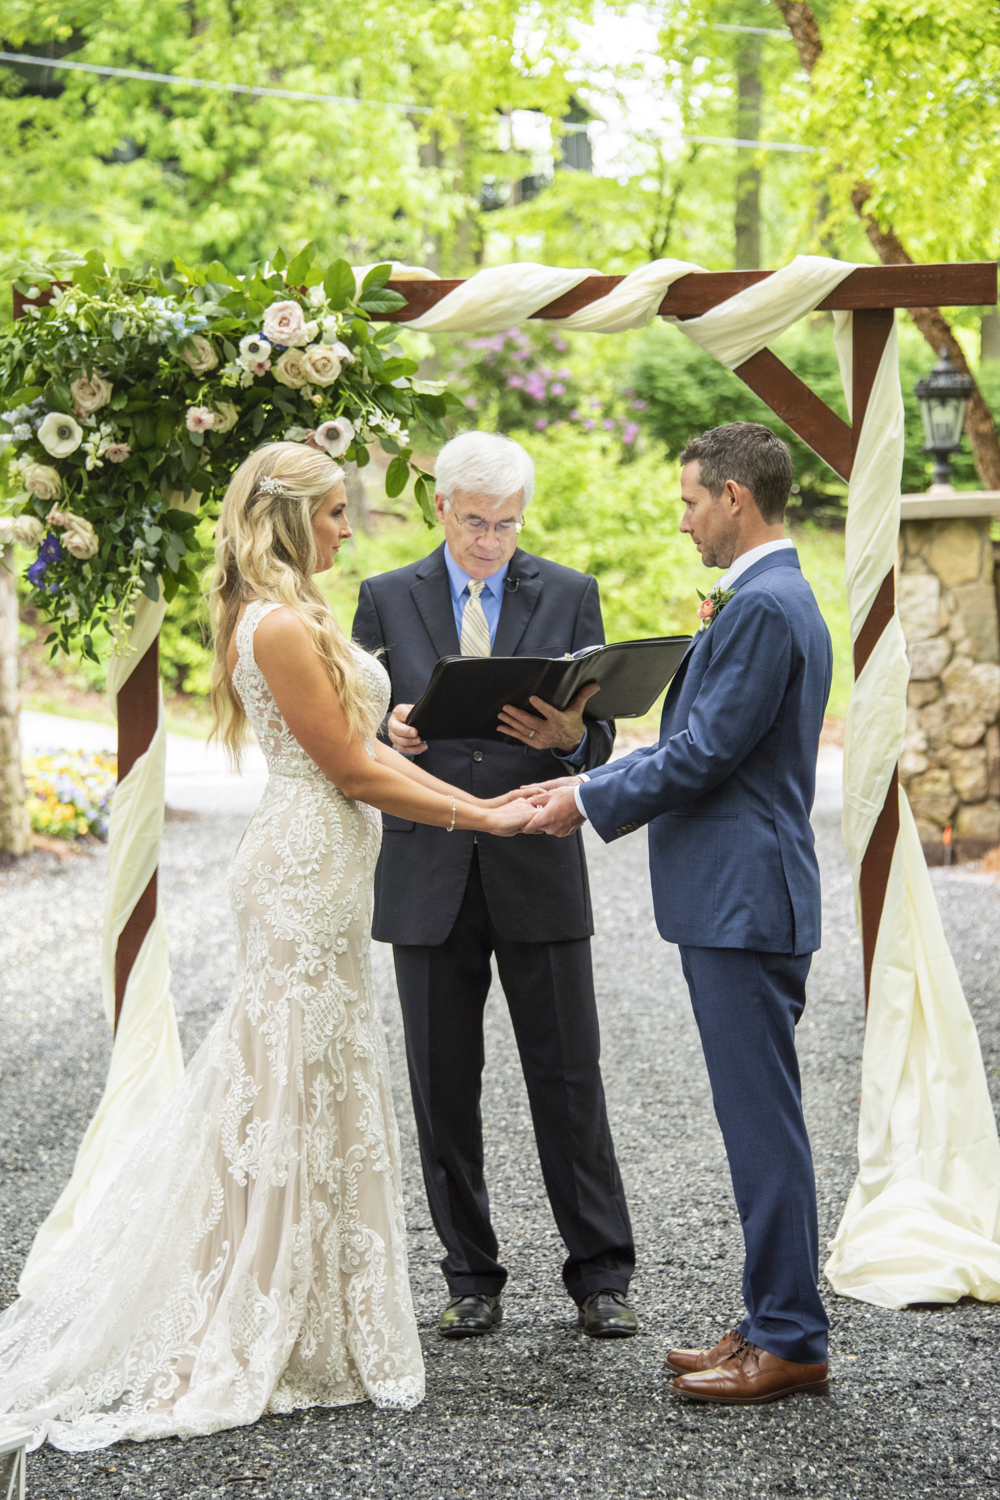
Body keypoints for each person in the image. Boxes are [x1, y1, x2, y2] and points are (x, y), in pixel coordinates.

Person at [0, 442, 536, 1450]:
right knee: (284, 1081)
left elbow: (362, 744)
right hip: (300, 869)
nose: (348, 526)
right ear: (291, 519)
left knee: (311, 1077)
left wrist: (417, 746)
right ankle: (260, 1311)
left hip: (324, 866)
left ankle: (310, 1308)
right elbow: (351, 772)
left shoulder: (298, 614)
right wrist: (491, 816)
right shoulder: (282, 622)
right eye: (335, 511)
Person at [524, 423, 832, 1404]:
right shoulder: (765, 600)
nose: (684, 517)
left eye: (692, 500)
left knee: (761, 1128)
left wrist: (581, 795)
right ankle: (765, 1321)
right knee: (755, 1125)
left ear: (735, 498)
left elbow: (702, 752)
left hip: (745, 902)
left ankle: (788, 1338)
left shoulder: (765, 608)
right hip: (735, 899)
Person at [352, 431, 637, 1341]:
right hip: (426, 866)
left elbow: (603, 741)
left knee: (568, 1076)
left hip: (537, 860)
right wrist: (384, 732)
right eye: (475, 522)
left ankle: (601, 1278)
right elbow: (343, 741)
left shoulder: (570, 592)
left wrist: (568, 743)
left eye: (507, 524)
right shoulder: (384, 598)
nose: (491, 541)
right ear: (440, 506)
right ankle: (469, 1275)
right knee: (443, 1083)